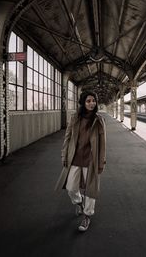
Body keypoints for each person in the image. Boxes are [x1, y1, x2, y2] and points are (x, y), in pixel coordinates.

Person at [55, 90, 106, 232]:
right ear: (83, 102)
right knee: (71, 187)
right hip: (75, 158)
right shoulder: (75, 118)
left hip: (91, 159)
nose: (91, 103)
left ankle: (87, 216)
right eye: (88, 101)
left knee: (90, 190)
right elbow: (67, 138)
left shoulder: (99, 120)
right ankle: (78, 202)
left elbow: (103, 143)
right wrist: (64, 155)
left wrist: (101, 162)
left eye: (93, 101)